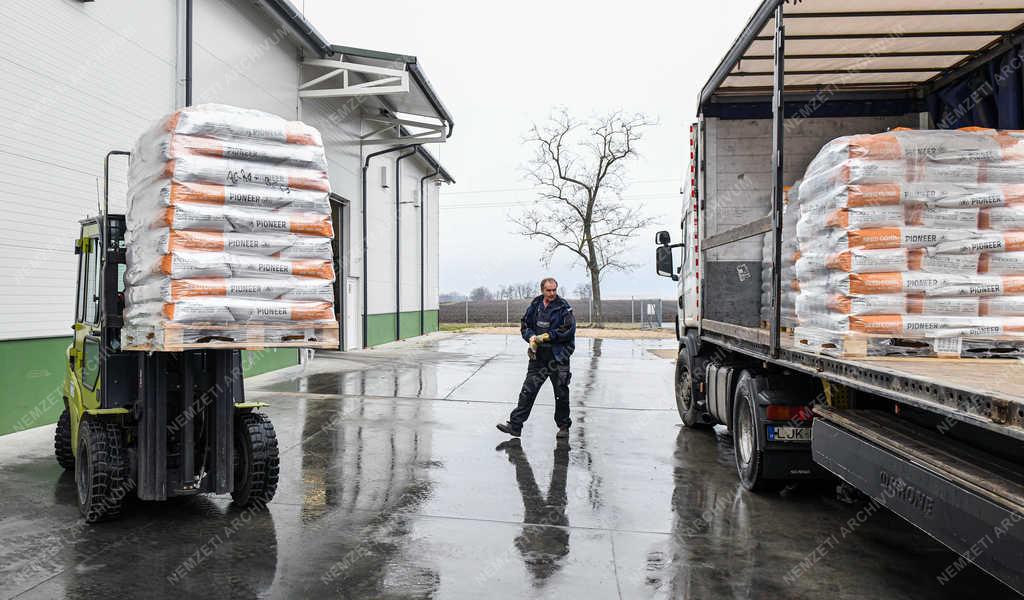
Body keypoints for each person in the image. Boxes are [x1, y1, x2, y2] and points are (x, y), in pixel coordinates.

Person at [496, 277, 576, 438]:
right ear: (542, 290)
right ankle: (515, 425)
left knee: (561, 393)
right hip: (538, 357)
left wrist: (546, 337)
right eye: (549, 290)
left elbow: (568, 330)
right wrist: (532, 338)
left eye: (554, 290)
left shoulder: (564, 308)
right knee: (528, 390)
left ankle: (563, 427)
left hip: (558, 358)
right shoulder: (535, 305)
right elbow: (525, 325)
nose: (552, 293)